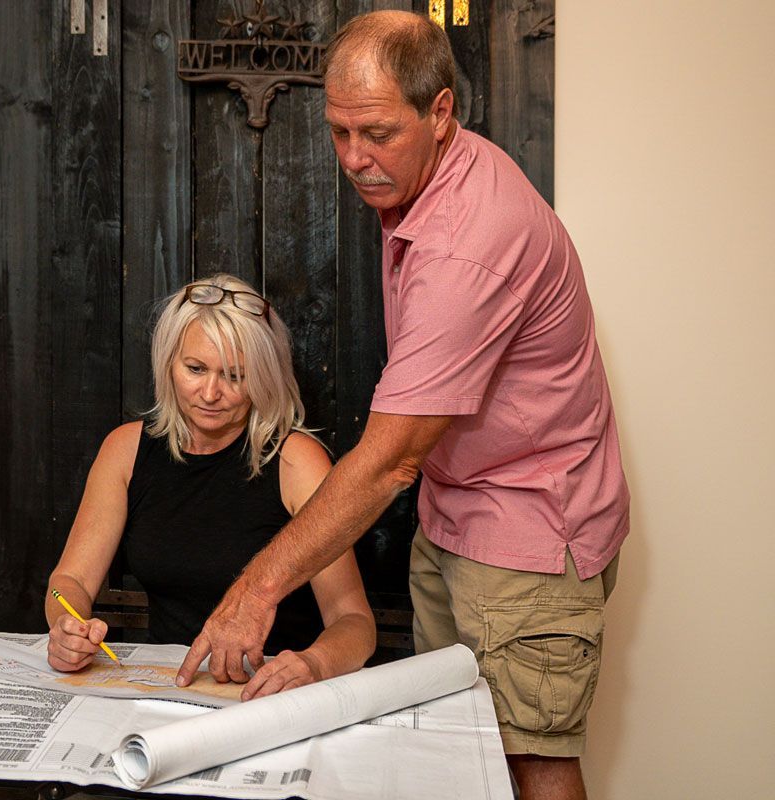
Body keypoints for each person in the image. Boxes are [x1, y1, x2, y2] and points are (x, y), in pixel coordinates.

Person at [175, 11, 629, 800]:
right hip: (456, 510)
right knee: (459, 756)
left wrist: (253, 594)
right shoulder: (432, 176)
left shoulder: (467, 243)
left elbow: (389, 461)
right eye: (339, 131)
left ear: (441, 111)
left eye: (378, 133)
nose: (355, 159)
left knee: (529, 761)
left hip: (526, 532)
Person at [45, 274, 376, 700]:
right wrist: (65, 625)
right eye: (195, 369)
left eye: (235, 376)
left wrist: (313, 664)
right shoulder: (125, 449)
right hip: (163, 688)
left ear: (263, 377)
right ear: (168, 363)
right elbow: (67, 579)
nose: (211, 393)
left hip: (272, 694)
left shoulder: (297, 460)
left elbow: (355, 622)